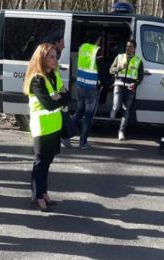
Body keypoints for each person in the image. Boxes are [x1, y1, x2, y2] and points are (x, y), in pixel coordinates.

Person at [23, 43, 70, 212]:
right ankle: (37, 195)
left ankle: (43, 193)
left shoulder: (54, 75)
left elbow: (68, 97)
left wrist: (60, 96)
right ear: (42, 58)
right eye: (51, 56)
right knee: (40, 163)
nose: (55, 59)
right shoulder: (37, 79)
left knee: (47, 162)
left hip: (55, 125)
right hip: (41, 127)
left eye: (56, 56)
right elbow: (49, 104)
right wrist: (59, 96)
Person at [71, 34, 102, 150]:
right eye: (100, 39)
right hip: (91, 87)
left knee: (79, 111)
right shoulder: (96, 50)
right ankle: (83, 143)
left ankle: (64, 134)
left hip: (80, 85)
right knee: (88, 116)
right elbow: (100, 67)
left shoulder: (82, 47)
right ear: (97, 39)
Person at [109, 39, 143, 141]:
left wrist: (135, 83)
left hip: (130, 88)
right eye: (127, 46)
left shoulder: (138, 60)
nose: (128, 48)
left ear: (134, 48)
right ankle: (113, 111)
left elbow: (140, 76)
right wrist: (119, 67)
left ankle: (121, 132)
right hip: (119, 85)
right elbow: (111, 70)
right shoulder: (119, 57)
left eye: (130, 46)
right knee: (116, 105)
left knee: (126, 110)